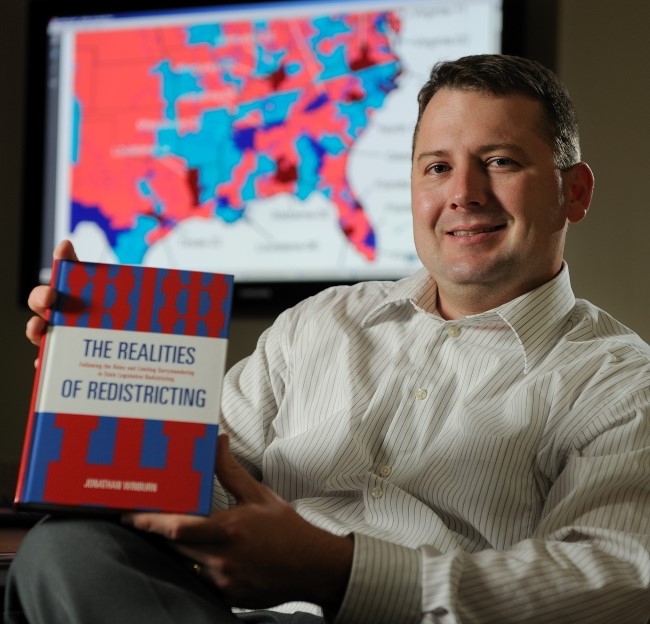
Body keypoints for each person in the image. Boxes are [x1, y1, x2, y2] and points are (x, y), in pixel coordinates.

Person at [5, 54, 650, 623]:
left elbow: (611, 587)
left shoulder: (622, 383)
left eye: (500, 162)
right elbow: (190, 485)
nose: (462, 194)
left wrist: (338, 572)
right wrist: (97, 375)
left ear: (575, 191)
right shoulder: (320, 323)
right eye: (436, 167)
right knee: (68, 547)